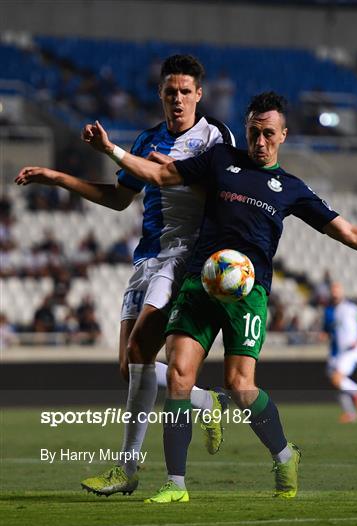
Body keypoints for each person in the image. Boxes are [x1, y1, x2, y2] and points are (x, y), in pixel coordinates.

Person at [18, 91, 357, 503]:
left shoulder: (291, 188)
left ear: (283, 135)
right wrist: (112, 150)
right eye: (253, 132)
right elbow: (160, 176)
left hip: (249, 295)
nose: (259, 141)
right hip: (201, 284)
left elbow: (349, 231)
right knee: (178, 378)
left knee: (240, 387)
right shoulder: (221, 160)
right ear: (245, 131)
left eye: (268, 134)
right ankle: (175, 483)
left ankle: (285, 456)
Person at [15, 54, 235, 497]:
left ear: (199, 95)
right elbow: (119, 199)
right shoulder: (147, 138)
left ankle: (128, 469)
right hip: (145, 259)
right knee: (129, 366)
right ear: (160, 94)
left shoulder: (214, 138)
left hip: (182, 255)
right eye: (170, 92)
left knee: (139, 350)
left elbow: (222, 192)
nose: (177, 99)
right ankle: (204, 400)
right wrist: (59, 178)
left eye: (185, 92)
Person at [323, 282, 357, 424]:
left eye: (337, 289)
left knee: (337, 379)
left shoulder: (352, 306)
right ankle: (350, 413)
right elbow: (328, 330)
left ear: (342, 291)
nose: (334, 292)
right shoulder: (329, 310)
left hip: (351, 350)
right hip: (337, 352)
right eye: (332, 290)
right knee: (337, 382)